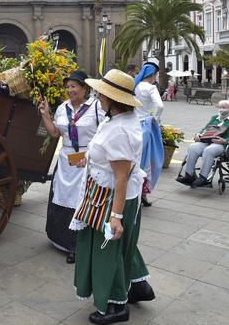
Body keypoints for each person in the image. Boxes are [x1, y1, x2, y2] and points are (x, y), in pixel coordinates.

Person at [72, 69, 155, 325]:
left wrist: (115, 217)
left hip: (111, 198)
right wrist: (86, 159)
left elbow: (121, 176)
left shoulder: (120, 129)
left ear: (112, 99)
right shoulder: (116, 119)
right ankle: (139, 286)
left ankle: (117, 305)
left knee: (108, 247)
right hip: (105, 192)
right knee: (122, 244)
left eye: (101, 93)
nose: (97, 96)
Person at [39, 70, 102, 264]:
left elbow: (103, 133)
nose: (69, 90)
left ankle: (79, 245)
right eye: (67, 86)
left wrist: (93, 154)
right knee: (63, 197)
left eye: (73, 86)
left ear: (85, 88)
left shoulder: (96, 107)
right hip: (67, 159)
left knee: (81, 200)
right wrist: (45, 115)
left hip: (88, 160)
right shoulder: (62, 108)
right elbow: (55, 133)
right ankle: (61, 240)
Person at [176, 100, 229, 187]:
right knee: (192, 147)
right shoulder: (215, 117)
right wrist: (198, 134)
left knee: (209, 150)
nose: (221, 110)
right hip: (207, 141)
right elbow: (204, 129)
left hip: (223, 144)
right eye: (220, 107)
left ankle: (203, 178)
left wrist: (225, 140)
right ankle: (188, 176)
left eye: (224, 107)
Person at [132, 62, 164, 208]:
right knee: (148, 161)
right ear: (153, 75)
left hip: (132, 125)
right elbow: (160, 105)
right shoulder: (151, 88)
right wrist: (154, 119)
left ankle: (132, 192)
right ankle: (142, 193)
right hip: (145, 125)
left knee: (134, 160)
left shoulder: (135, 86)